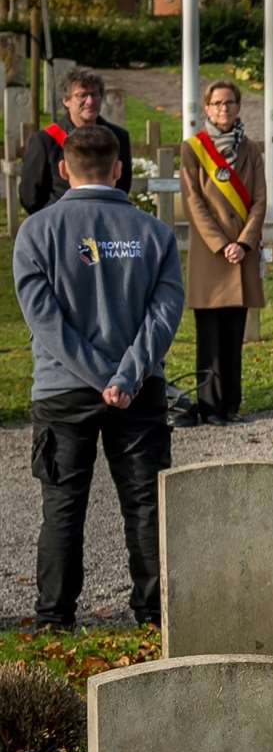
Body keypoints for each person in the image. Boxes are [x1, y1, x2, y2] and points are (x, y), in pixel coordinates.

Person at [14, 125, 183, 629]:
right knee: (146, 503)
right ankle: (156, 613)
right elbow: (165, 311)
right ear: (118, 169)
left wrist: (96, 376)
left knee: (63, 505)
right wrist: (124, 376)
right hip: (138, 389)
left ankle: (54, 616)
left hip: (62, 389)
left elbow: (43, 320)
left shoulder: (37, 232)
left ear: (63, 169)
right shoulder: (154, 233)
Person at [178, 80, 265, 426]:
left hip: (241, 253)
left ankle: (231, 402)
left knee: (234, 333)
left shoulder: (252, 149)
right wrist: (222, 243)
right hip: (211, 254)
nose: (224, 109)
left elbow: (260, 199)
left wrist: (244, 241)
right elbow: (192, 202)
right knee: (209, 333)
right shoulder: (193, 149)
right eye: (216, 104)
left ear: (238, 106)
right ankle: (210, 404)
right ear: (206, 108)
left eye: (229, 103)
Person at [19, 67, 135, 214]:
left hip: (105, 219)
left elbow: (123, 185)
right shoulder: (45, 140)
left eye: (95, 94)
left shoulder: (118, 137)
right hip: (60, 222)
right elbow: (30, 196)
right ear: (66, 100)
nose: (90, 101)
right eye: (82, 95)